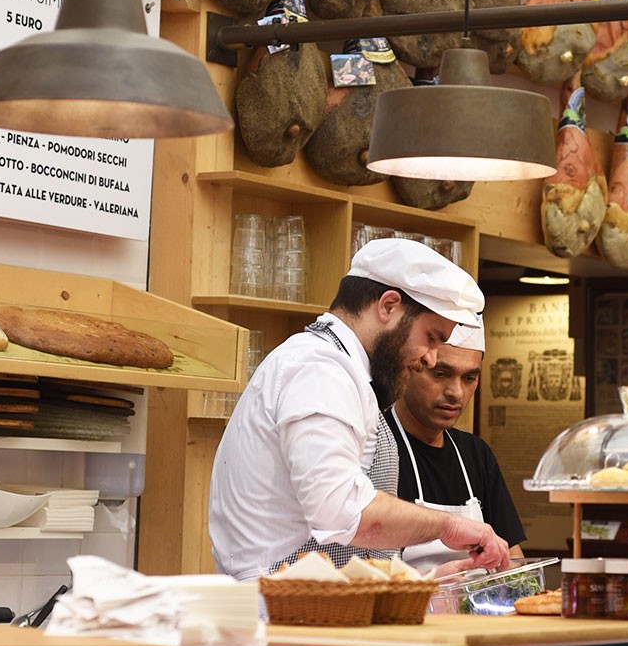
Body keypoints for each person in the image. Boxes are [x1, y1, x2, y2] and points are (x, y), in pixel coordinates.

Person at [208, 237, 512, 580]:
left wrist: (424, 583)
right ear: (388, 306)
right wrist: (447, 526)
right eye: (430, 337)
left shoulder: (340, 368)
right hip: (277, 613)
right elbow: (339, 512)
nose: (428, 357)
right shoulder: (320, 370)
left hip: (311, 607)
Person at [388, 317, 526, 573]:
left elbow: (512, 557)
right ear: (408, 367)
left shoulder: (475, 453)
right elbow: (362, 566)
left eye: (469, 378)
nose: (456, 392)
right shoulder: (377, 445)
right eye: (441, 374)